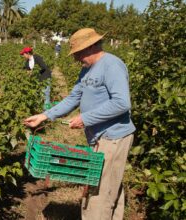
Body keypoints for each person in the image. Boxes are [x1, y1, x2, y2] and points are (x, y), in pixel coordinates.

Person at [24, 28, 135, 220]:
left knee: (98, 191)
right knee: (109, 187)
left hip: (113, 137)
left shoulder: (112, 65)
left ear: (91, 47)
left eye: (78, 53)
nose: (76, 59)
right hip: (100, 137)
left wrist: (85, 118)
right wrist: (44, 116)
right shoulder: (87, 69)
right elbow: (74, 98)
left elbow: (121, 103)